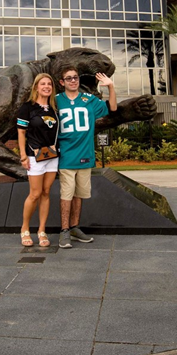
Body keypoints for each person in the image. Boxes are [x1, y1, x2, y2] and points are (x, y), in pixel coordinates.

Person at [55, 65, 116, 249]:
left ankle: (74, 227)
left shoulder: (88, 99)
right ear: (61, 82)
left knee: (79, 194)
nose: (73, 81)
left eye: (75, 77)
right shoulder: (56, 100)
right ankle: (64, 231)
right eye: (69, 78)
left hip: (85, 155)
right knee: (66, 194)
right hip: (66, 154)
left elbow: (112, 107)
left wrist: (110, 87)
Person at [16, 73, 59, 248]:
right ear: (36, 87)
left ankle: (42, 230)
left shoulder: (54, 109)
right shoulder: (27, 107)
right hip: (34, 156)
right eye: (43, 84)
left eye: (49, 84)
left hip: (52, 156)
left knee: (46, 192)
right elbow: (21, 132)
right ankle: (25, 228)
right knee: (34, 193)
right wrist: (23, 156)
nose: (46, 86)